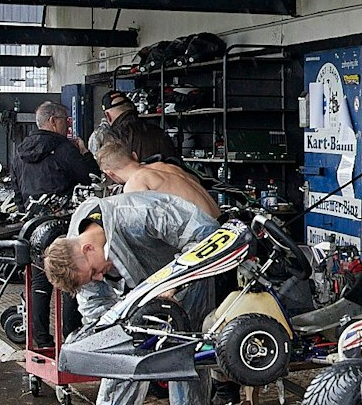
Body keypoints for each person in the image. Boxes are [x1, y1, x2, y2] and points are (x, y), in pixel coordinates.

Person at [42, 192, 220, 405]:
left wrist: (174, 282)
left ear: (88, 248)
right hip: (139, 302)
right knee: (119, 359)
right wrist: (116, 329)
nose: (98, 278)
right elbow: (94, 304)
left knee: (187, 363)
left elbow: (206, 234)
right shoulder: (77, 245)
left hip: (187, 289)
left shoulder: (138, 214)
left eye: (95, 272)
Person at [14, 101, 100, 351]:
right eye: (66, 120)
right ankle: (70, 340)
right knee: (71, 280)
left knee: (40, 283)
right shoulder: (65, 149)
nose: (69, 125)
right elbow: (90, 178)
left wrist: (28, 218)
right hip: (64, 227)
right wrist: (85, 154)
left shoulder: (20, 150)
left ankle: (41, 341)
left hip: (33, 227)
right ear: (53, 121)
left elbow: (16, 190)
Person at [94, 137, 220, 219]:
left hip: (205, 232)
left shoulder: (136, 182)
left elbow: (143, 224)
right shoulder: (164, 166)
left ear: (110, 173)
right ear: (135, 156)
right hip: (219, 220)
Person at [88, 93, 176, 167]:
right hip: (165, 185)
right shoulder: (158, 131)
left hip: (131, 186)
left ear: (107, 116)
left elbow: (109, 170)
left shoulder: (110, 136)